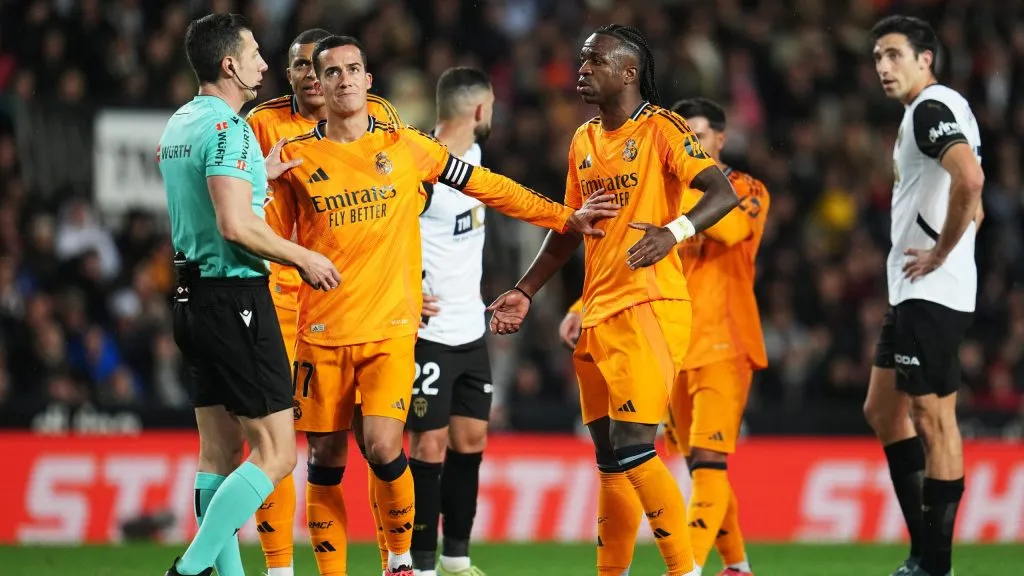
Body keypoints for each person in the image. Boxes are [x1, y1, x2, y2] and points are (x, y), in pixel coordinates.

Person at [269, 35, 618, 576]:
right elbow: (264, 241)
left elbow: (486, 186)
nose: (343, 79)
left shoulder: (406, 147)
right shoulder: (294, 159)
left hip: (390, 331)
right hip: (321, 332)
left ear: (368, 80)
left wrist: (562, 216)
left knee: (384, 447)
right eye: (331, 71)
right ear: (318, 82)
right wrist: (260, 193)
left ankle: (402, 563)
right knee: (325, 459)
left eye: (353, 69)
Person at [487, 25, 739, 576]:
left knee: (633, 447)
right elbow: (569, 228)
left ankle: (685, 571)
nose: (581, 70)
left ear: (628, 72)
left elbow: (723, 193)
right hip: (597, 311)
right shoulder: (583, 139)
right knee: (609, 460)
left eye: (594, 61)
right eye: (581, 60)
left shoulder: (661, 129)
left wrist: (673, 231)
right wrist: (525, 290)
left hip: (648, 305)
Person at [159, 13, 339, 576]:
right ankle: (189, 570)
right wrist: (302, 256)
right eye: (256, 53)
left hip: (190, 298)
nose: (265, 64)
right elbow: (235, 225)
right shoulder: (230, 129)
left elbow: (207, 200)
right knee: (277, 453)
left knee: (217, 453)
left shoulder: (181, 123)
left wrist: (257, 173)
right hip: (234, 296)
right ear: (230, 64)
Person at [559, 97, 768, 576]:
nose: (690, 144)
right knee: (697, 461)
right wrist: (578, 306)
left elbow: (732, 227)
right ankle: (737, 565)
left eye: (698, 136)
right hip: (666, 338)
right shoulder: (662, 185)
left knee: (709, 460)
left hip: (724, 341)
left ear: (720, 139)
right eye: (684, 136)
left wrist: (668, 181)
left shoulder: (746, 188)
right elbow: (617, 255)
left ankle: (690, 565)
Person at [245, 26, 403, 576]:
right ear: (291, 74)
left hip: (353, 302)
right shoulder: (262, 124)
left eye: (327, 66)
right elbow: (234, 200)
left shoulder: (377, 115)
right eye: (304, 66)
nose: (316, 76)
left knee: (375, 442)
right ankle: (280, 568)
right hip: (278, 305)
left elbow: (403, 196)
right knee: (278, 444)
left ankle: (396, 562)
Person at [863, 15, 984, 576]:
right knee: (884, 410)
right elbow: (974, 193)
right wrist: (957, 240)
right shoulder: (944, 109)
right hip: (915, 288)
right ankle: (923, 553)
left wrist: (941, 253)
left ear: (924, 58)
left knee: (934, 419)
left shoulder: (930, 109)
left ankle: (935, 565)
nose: (883, 67)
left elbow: (970, 181)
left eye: (894, 55)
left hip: (929, 290)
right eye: (877, 58)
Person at [406, 67, 496, 576]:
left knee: (470, 441)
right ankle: (419, 565)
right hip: (429, 334)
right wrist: (405, 288)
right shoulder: (419, 165)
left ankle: (457, 558)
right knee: (428, 444)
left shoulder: (477, 159)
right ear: (479, 110)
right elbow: (384, 231)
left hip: (471, 331)